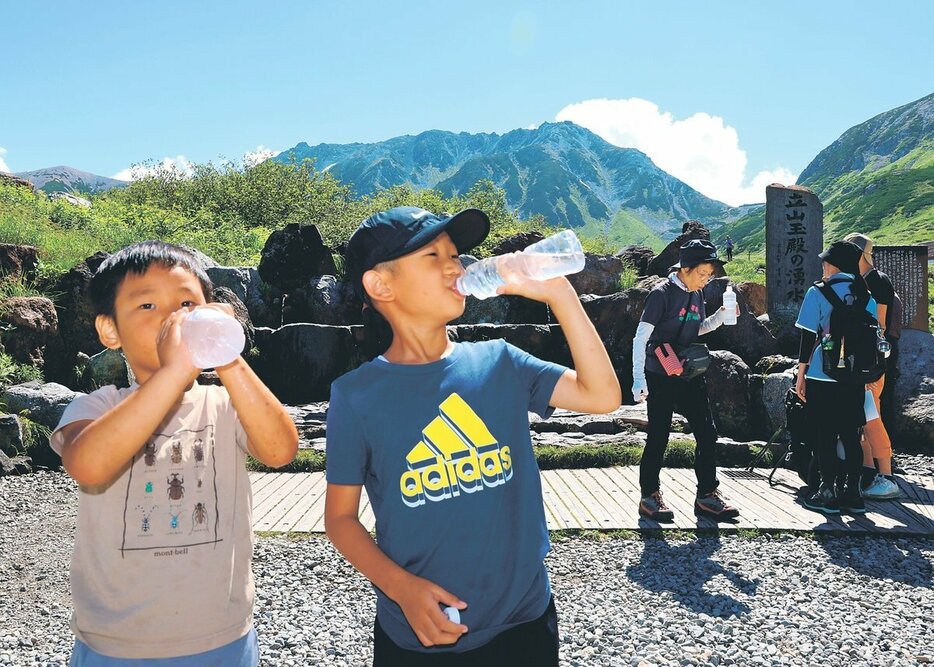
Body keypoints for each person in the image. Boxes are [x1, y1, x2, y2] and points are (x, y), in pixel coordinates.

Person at [324, 207, 621, 665]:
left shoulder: (499, 360)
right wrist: (401, 589)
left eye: (456, 254)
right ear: (381, 285)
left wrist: (560, 295)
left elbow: (601, 396)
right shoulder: (355, 395)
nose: (455, 266)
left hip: (525, 619)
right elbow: (340, 519)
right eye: (433, 255)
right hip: (421, 630)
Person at [50, 241, 299, 665]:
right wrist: (174, 371)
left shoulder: (224, 403)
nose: (174, 318)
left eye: (187, 303)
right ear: (110, 331)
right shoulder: (98, 407)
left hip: (223, 638)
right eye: (147, 305)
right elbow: (88, 465)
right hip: (116, 643)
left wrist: (226, 355)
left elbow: (280, 450)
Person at [631, 239, 740, 522]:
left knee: (707, 432)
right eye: (702, 274)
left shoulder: (696, 294)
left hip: (689, 372)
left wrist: (721, 316)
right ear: (686, 268)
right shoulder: (661, 294)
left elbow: (697, 328)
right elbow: (641, 337)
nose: (706, 280)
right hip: (660, 373)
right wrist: (637, 379)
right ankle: (649, 496)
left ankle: (707, 495)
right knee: (659, 434)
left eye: (709, 276)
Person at [794, 240, 876, 514]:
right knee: (852, 436)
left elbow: (807, 337)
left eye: (825, 261)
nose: (822, 265)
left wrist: (801, 375)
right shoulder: (867, 297)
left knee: (825, 435)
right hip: (854, 377)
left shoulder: (817, 293)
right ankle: (853, 494)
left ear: (833, 264)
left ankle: (827, 491)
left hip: (822, 374)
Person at [843, 232, 902, 500]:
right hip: (864, 359)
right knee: (863, 417)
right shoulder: (860, 280)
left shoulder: (877, 281)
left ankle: (886, 476)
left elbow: (878, 325)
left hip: (872, 361)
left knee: (871, 417)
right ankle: (868, 472)